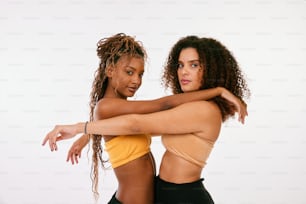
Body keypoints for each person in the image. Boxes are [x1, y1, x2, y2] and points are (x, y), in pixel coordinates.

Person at [42, 35, 249, 204]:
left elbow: (140, 122)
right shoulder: (190, 109)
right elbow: (138, 123)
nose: (183, 71)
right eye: (180, 65)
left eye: (193, 65)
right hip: (161, 196)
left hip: (184, 198)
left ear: (211, 69)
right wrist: (91, 133)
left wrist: (83, 129)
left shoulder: (204, 110)